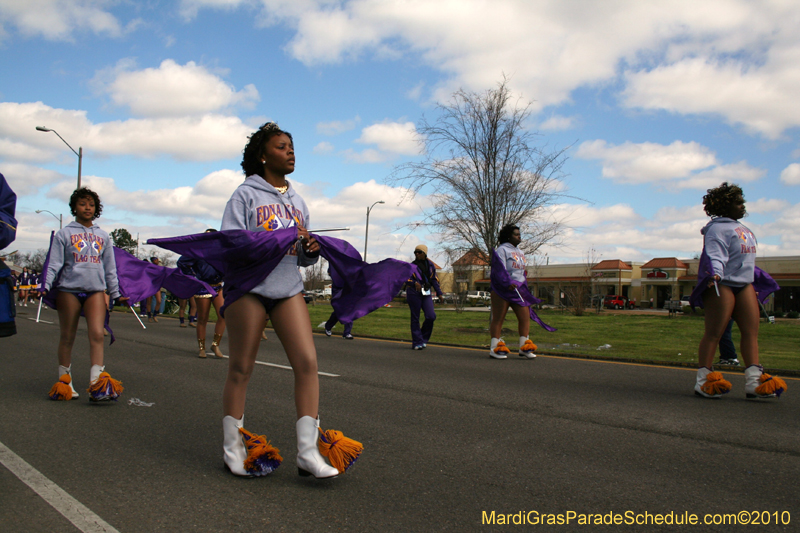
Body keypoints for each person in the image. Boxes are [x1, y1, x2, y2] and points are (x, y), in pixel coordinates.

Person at [219, 122, 359, 477]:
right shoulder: (244, 196)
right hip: (249, 288)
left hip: (288, 287)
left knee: (307, 363)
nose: (290, 152)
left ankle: (308, 453)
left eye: (292, 147)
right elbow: (231, 245)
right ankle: (233, 448)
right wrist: (274, 239)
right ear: (263, 155)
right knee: (241, 367)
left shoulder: (298, 202)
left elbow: (301, 257)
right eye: (281, 147)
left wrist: (310, 248)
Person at [691, 182, 786, 399]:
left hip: (743, 284)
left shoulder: (745, 230)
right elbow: (715, 253)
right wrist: (715, 271)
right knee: (714, 333)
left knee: (751, 332)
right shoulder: (716, 229)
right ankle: (704, 380)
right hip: (721, 283)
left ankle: (754, 381)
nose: (743, 206)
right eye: (738, 202)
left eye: (742, 202)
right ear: (725, 205)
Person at [43, 187, 126, 402]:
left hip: (95, 291)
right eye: (82, 203)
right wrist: (45, 284)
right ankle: (65, 384)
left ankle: (97, 385)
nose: (87, 208)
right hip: (68, 290)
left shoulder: (103, 236)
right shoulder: (64, 234)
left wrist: (115, 293)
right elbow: (54, 264)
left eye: (91, 204)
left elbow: (110, 267)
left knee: (98, 334)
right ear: (74, 207)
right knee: (68, 336)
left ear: (96, 209)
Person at [488, 224, 538, 359]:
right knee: (498, 319)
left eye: (519, 234)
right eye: (516, 234)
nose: (519, 236)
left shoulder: (520, 253)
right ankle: (494, 348)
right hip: (502, 290)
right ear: (508, 236)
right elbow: (499, 269)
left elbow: (521, 272)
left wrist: (523, 286)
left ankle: (524, 348)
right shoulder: (502, 250)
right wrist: (507, 283)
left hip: (519, 290)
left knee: (525, 317)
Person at [176, 230, 226, 359]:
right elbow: (182, 263)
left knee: (223, 315)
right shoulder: (197, 250)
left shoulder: (220, 251)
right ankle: (201, 348)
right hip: (203, 287)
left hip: (217, 286)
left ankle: (215, 345)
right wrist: (194, 278)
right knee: (203, 318)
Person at [405, 244, 443, 350]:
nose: (417, 254)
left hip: (426, 293)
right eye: (415, 252)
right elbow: (405, 278)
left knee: (431, 316)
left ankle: (423, 338)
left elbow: (434, 280)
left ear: (425, 253)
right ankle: (417, 342)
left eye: (419, 252)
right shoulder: (412, 266)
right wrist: (413, 283)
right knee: (415, 318)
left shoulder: (430, 266)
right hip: (414, 293)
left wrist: (439, 293)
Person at [324, 265, 354, 339]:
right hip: (337, 289)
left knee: (349, 309)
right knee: (339, 310)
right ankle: (328, 326)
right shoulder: (335, 263)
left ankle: (347, 333)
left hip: (348, 289)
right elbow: (330, 272)